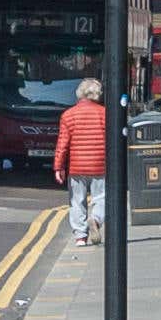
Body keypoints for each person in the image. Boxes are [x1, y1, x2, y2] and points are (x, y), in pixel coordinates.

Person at [53, 75, 110, 243]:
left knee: (77, 201)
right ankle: (97, 220)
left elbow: (62, 144)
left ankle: (80, 236)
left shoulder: (68, 115)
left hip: (77, 167)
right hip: (100, 165)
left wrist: (59, 167)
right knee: (102, 197)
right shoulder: (105, 114)